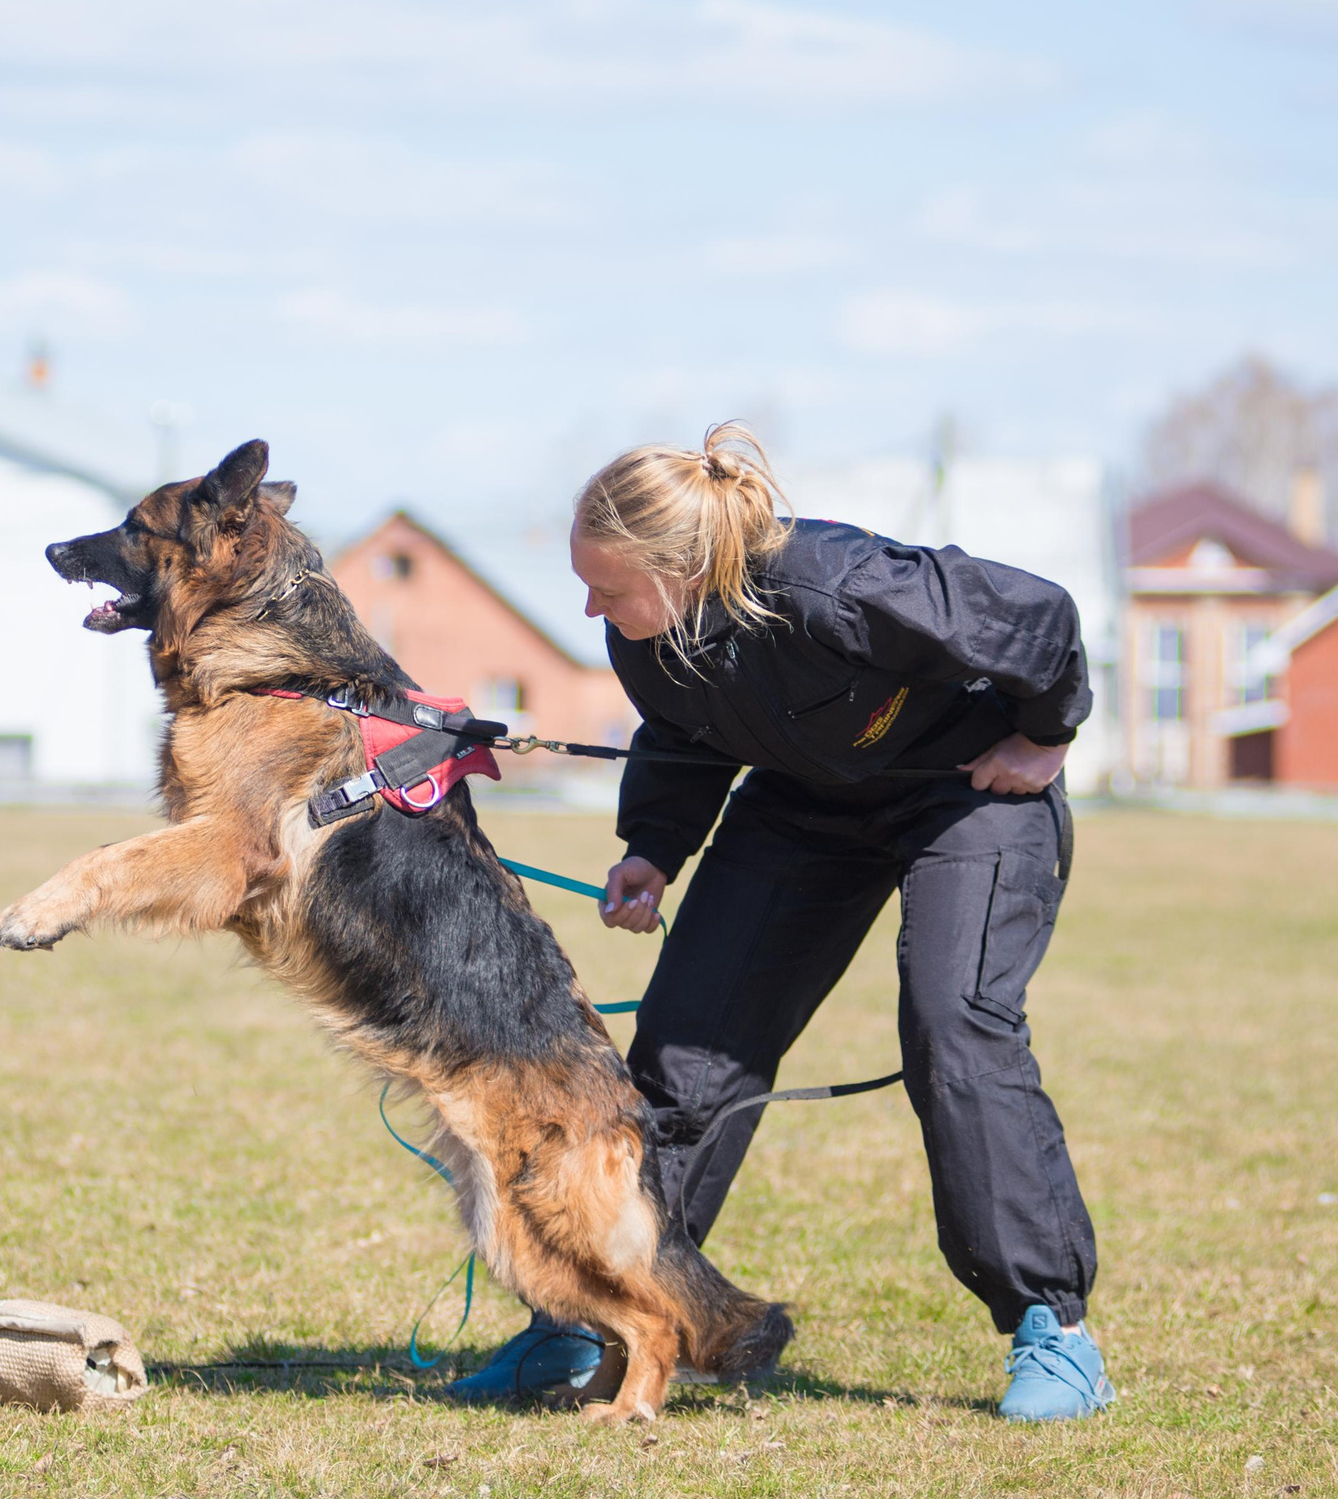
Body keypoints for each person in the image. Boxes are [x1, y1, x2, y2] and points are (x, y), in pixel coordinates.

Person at [447, 424, 1112, 1422]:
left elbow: (1035, 616)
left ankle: (1051, 1330)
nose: (591, 607)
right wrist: (651, 850)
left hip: (967, 790)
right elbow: (684, 733)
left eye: (609, 586)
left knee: (953, 1024)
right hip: (803, 806)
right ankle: (591, 1318)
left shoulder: (838, 583)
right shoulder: (645, 631)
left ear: (683, 565)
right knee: (685, 1047)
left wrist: (1045, 732)